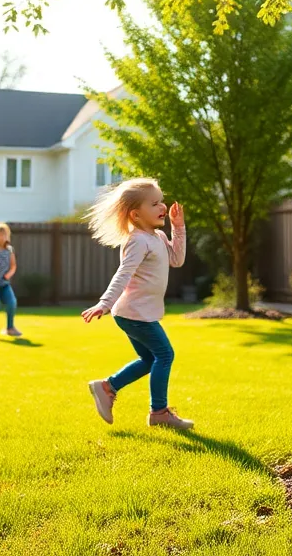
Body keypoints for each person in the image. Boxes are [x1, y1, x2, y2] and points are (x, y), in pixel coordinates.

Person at [80, 178, 192, 429]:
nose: (162, 206)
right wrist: (104, 303)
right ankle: (159, 412)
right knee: (165, 355)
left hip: (138, 313)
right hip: (133, 313)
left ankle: (107, 387)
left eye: (161, 200)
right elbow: (123, 273)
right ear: (136, 214)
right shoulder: (137, 240)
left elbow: (177, 260)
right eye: (154, 203)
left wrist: (179, 227)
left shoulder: (158, 237)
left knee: (150, 359)